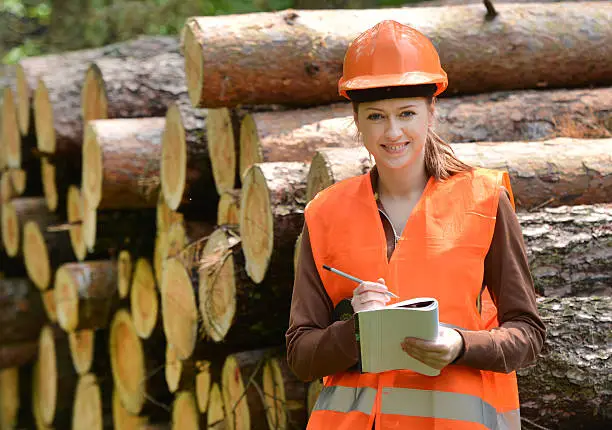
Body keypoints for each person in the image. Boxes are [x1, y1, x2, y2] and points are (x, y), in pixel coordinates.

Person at [286, 20, 546, 430]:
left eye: (406, 113)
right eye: (376, 116)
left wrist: (460, 344)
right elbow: (300, 354)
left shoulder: (484, 199)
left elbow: (528, 335)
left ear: (431, 111)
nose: (392, 132)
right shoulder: (325, 213)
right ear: (357, 121)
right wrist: (355, 332)